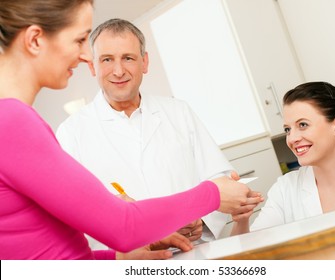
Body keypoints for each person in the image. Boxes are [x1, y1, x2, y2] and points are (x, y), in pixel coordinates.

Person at [0, 0, 261, 260]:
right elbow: (121, 226)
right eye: (79, 40)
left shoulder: (17, 120)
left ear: (143, 62)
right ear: (35, 40)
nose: (83, 56)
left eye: (128, 58)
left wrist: (120, 259)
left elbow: (53, 254)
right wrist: (212, 194)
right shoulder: (13, 122)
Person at [55, 18, 251, 250]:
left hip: (195, 252)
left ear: (144, 62)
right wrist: (149, 237)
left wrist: (202, 220)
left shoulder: (179, 112)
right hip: (130, 265)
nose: (118, 71)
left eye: (128, 58)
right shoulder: (71, 133)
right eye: (107, 60)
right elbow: (75, 216)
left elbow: (220, 180)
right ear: (92, 67)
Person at [231, 81, 335, 235]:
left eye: (303, 125)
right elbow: (250, 252)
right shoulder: (286, 188)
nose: (292, 139)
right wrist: (241, 220)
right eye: (287, 129)